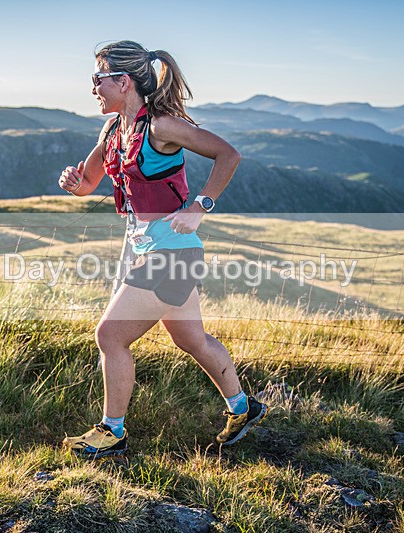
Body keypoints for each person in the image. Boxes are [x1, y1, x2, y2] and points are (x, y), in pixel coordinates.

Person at [58, 40, 266, 459]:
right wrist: (73, 183)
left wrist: (200, 207)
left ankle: (111, 431)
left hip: (173, 253)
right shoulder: (114, 130)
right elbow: (89, 182)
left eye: (98, 79)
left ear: (123, 81)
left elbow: (228, 154)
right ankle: (244, 408)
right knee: (192, 339)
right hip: (152, 250)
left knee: (110, 335)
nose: (93, 87)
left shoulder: (162, 127)